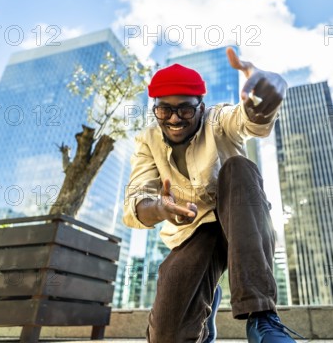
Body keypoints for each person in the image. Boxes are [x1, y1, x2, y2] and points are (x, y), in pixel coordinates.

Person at [123, 47, 302, 342]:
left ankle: (261, 318)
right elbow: (136, 197)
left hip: (241, 217)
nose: (175, 119)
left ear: (202, 108)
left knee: (239, 168)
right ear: (155, 109)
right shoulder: (147, 140)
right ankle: (205, 314)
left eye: (185, 109)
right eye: (164, 110)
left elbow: (247, 120)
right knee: (166, 336)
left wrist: (264, 98)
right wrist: (158, 208)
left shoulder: (218, 120)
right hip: (194, 232)